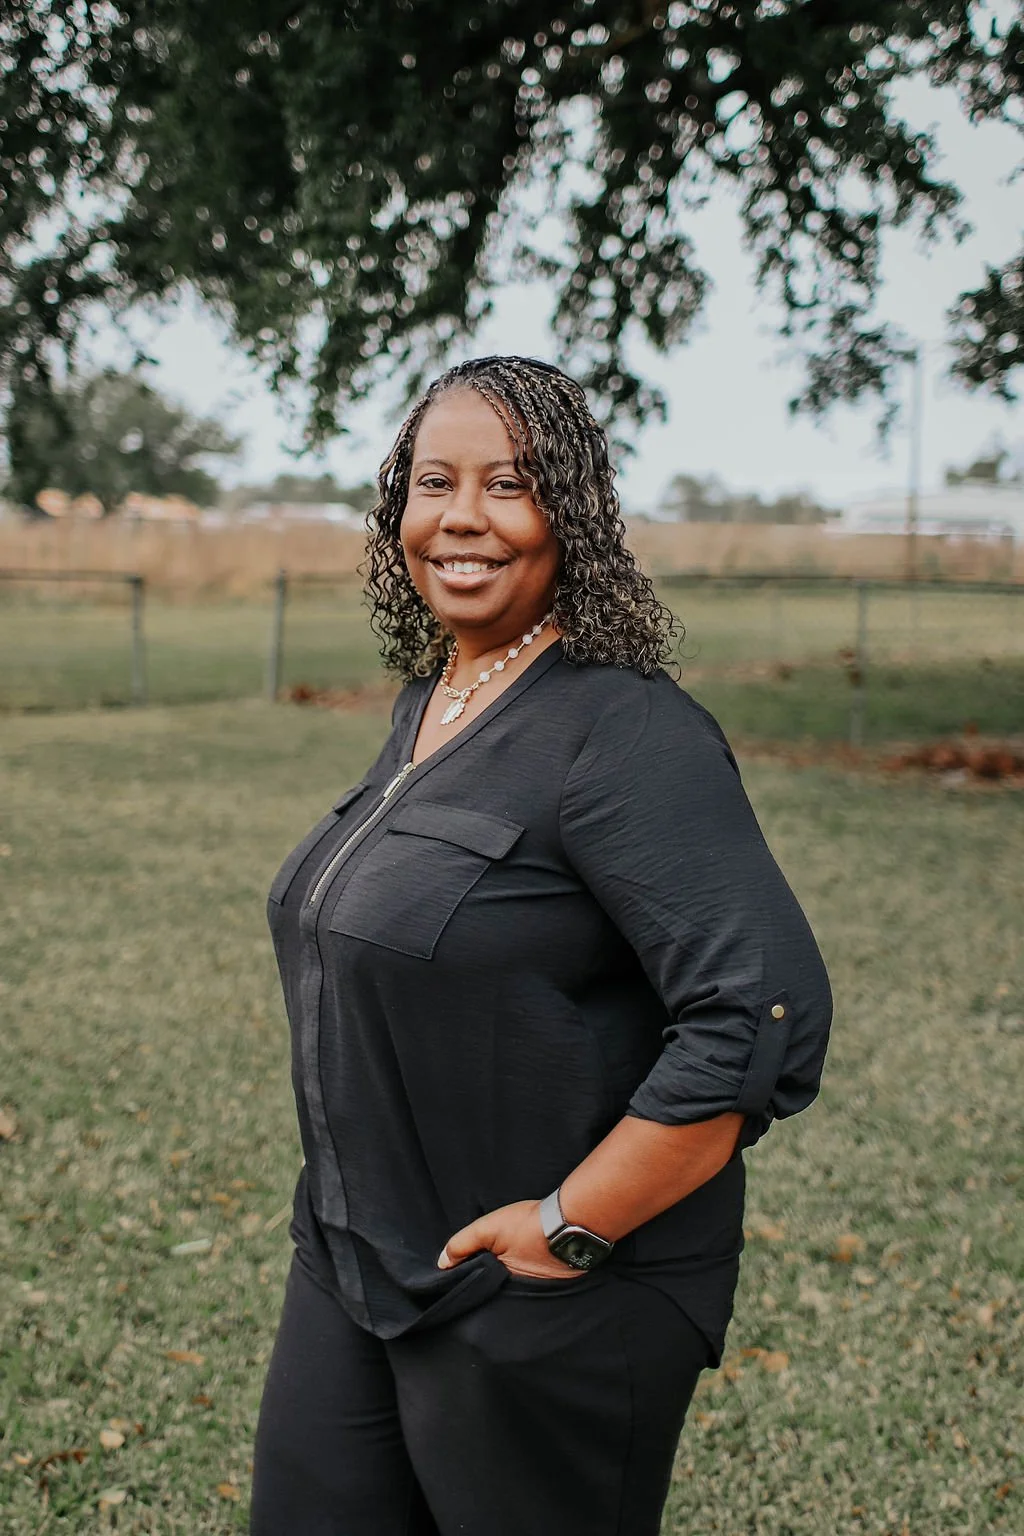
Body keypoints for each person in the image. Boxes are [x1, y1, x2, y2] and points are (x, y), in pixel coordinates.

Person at [250, 355, 832, 1536]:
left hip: (542, 1295)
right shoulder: (440, 696)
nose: (461, 516)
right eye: (432, 482)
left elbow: (758, 1008)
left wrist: (571, 1224)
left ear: (568, 514)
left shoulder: (624, 729)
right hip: (360, 1258)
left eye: (508, 484)